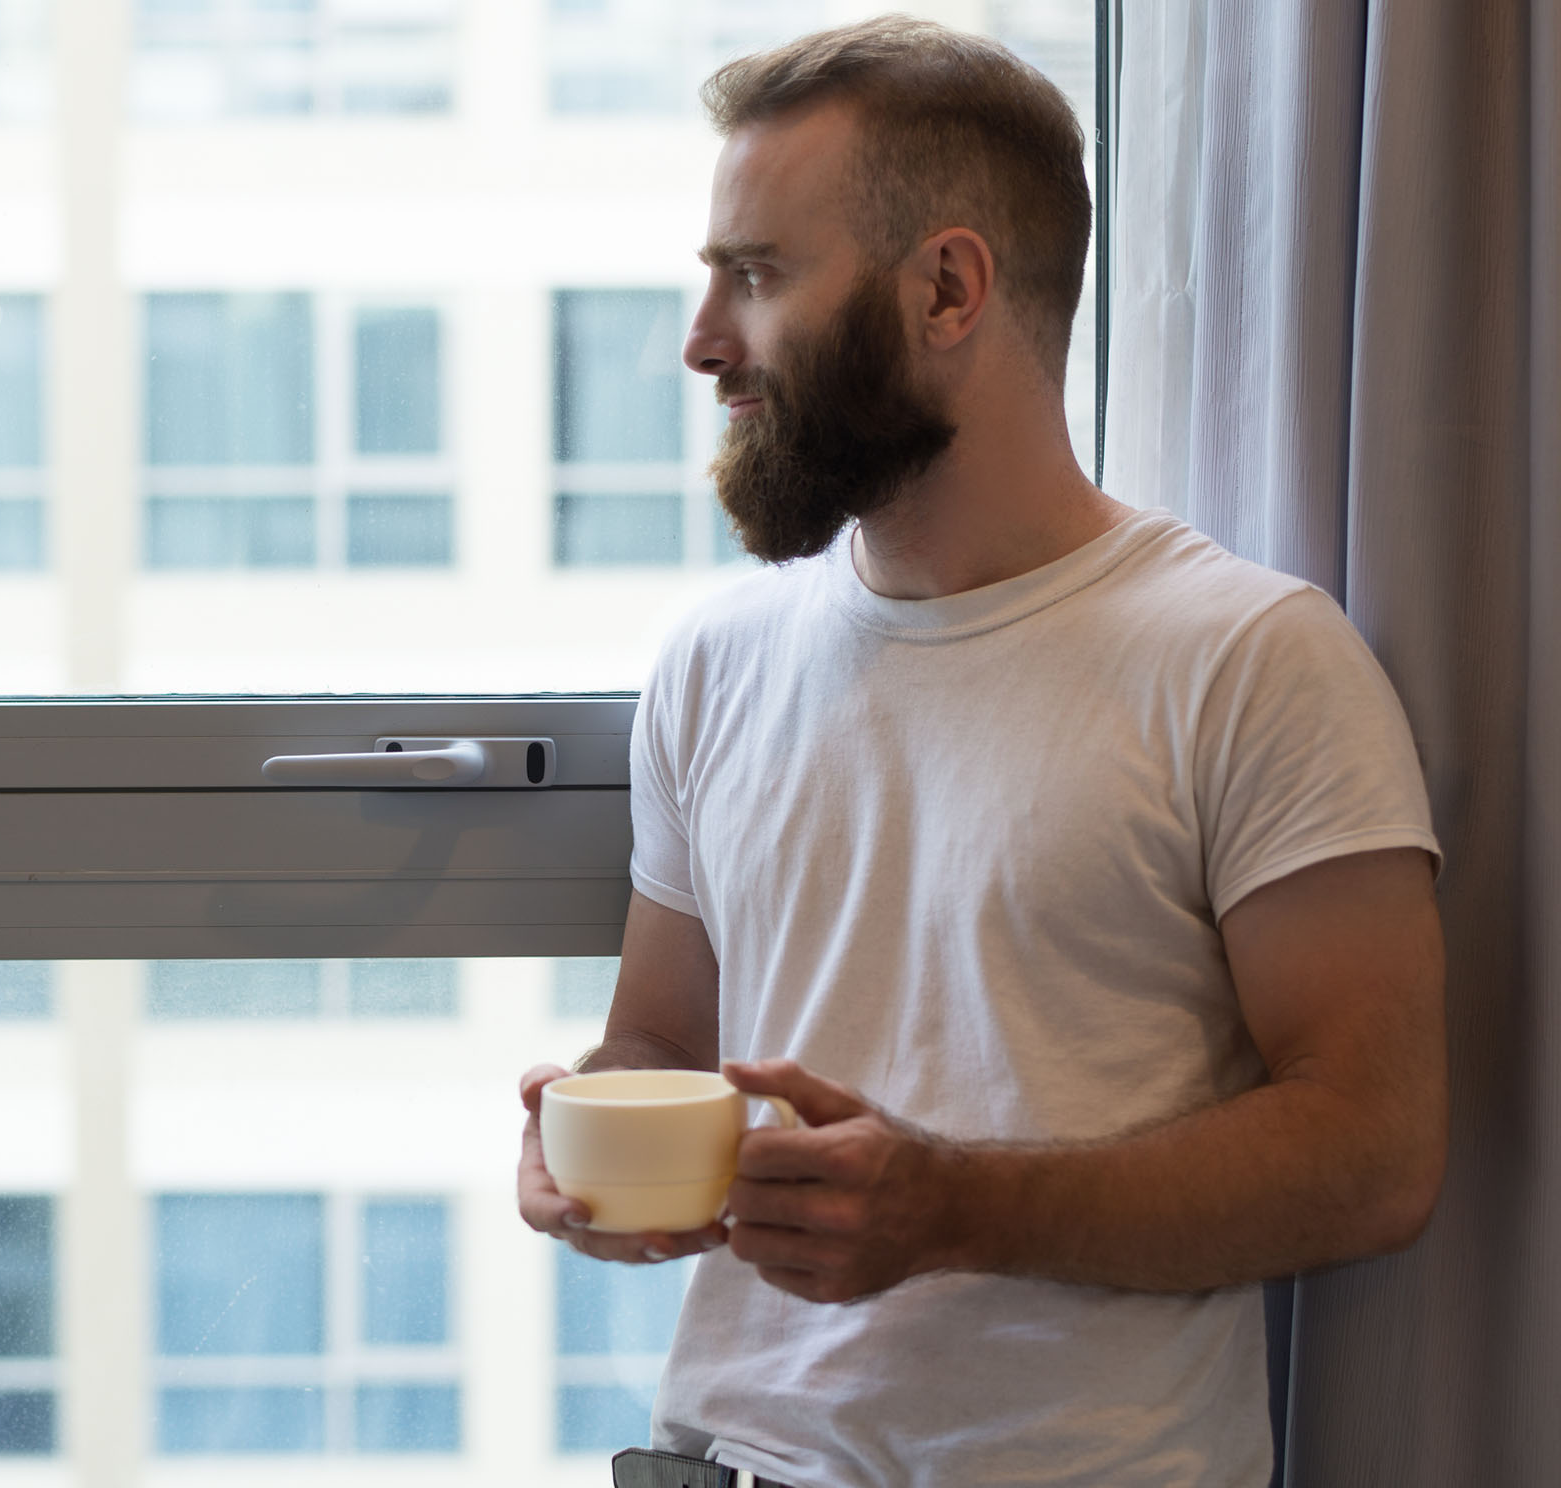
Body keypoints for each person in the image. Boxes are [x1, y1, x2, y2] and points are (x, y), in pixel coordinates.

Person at [516, 16, 1446, 1488]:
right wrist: (594, 1140)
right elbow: (659, 1039)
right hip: (718, 1462)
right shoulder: (715, 662)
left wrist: (956, 1208)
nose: (700, 343)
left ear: (949, 286)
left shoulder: (1251, 659)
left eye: (754, 276)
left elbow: (1376, 1151)